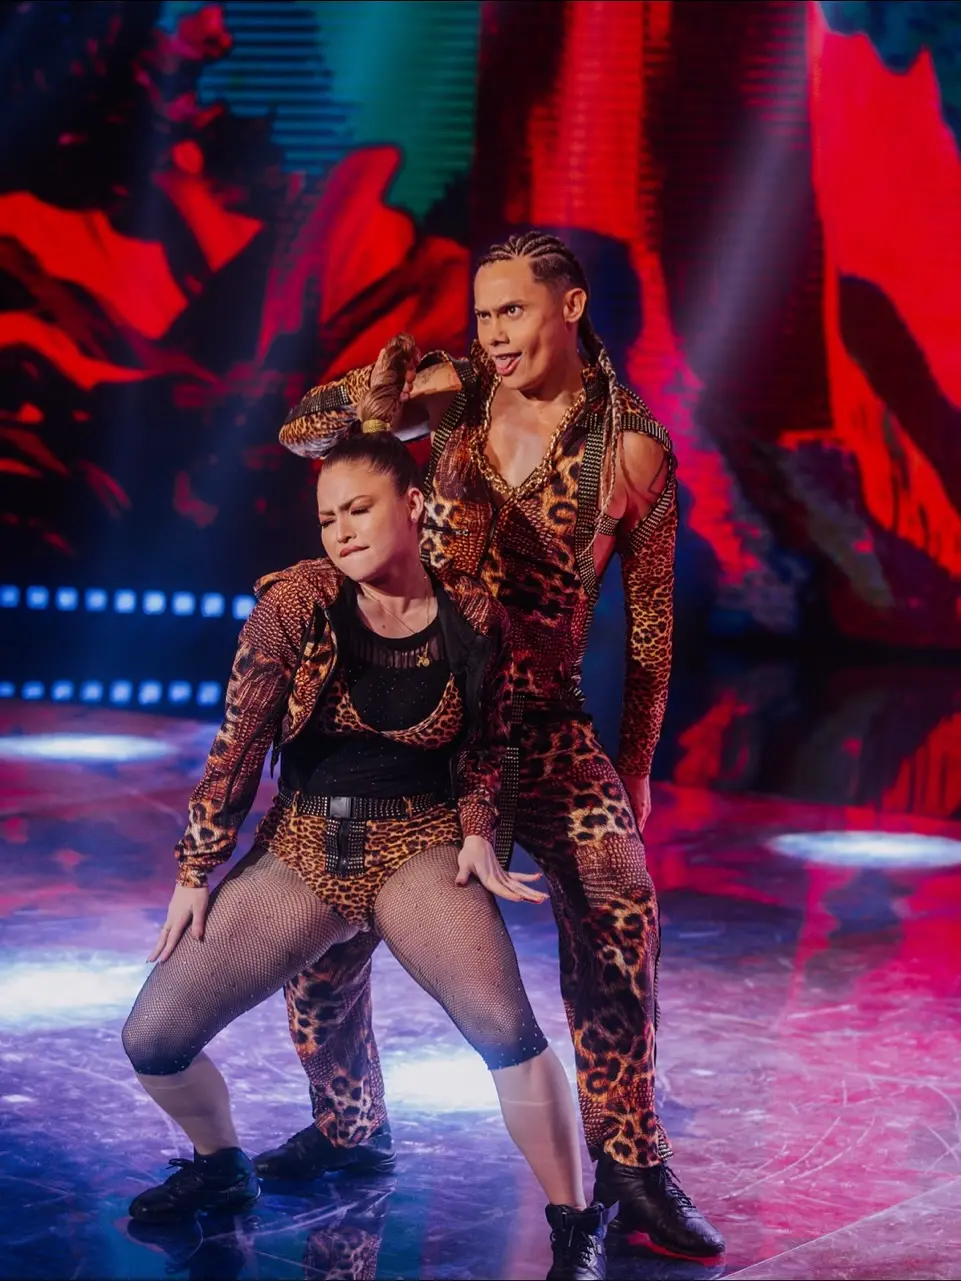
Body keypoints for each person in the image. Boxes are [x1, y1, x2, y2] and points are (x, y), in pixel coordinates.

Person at [267, 231, 724, 1261]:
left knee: (620, 904)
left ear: (569, 306)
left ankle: (631, 1162)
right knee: (324, 924)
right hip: (413, 707)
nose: (491, 333)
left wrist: (639, 766)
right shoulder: (450, 392)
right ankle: (348, 1127)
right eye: (480, 314)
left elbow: (649, 635)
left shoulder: (635, 451)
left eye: (510, 310)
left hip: (542, 724)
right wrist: (371, 409)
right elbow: (302, 435)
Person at [121, 416, 615, 1281]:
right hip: (305, 842)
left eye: (359, 509)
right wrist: (197, 869)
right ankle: (221, 1164)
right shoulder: (298, 603)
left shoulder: (471, 613)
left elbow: (489, 744)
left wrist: (473, 831)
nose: (342, 530)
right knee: (153, 1037)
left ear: (411, 504)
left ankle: (575, 1222)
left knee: (506, 1030)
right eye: (327, 517)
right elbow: (237, 741)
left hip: (420, 846)